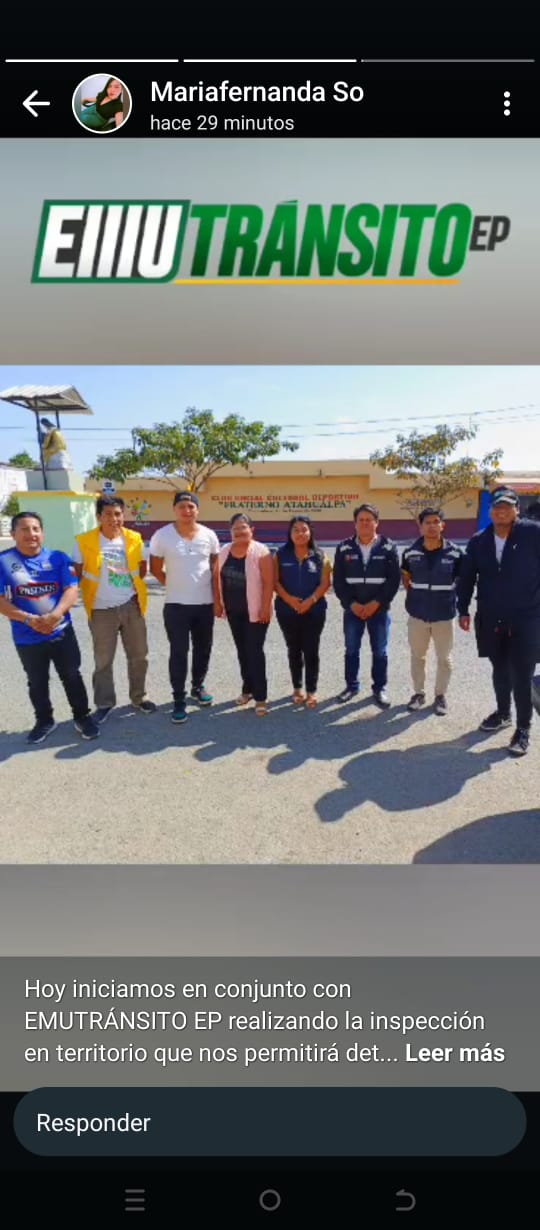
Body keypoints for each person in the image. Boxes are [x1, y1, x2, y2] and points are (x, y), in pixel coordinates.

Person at [0, 511, 98, 743]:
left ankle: (82, 717)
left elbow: (71, 589)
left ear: (42, 533)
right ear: (13, 533)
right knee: (37, 681)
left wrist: (55, 615)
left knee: (72, 675)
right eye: (24, 529)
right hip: (26, 635)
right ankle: (44, 721)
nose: (31, 534)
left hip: (61, 630)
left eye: (36, 529)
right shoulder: (4, 561)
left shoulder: (58, 558)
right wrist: (28, 619)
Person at [457, 486, 540, 756]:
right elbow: (467, 577)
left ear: (517, 509)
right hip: (491, 617)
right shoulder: (479, 541)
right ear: (490, 511)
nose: (501, 511)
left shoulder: (533, 533)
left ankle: (523, 728)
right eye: (496, 506)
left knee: (522, 674)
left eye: (506, 506)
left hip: (527, 617)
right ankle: (503, 713)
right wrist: (463, 609)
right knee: (500, 669)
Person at [72, 495, 156, 724]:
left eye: (118, 514)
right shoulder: (84, 541)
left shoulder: (134, 538)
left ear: (123, 516)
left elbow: (141, 569)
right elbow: (77, 573)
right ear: (99, 516)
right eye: (108, 514)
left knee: (139, 656)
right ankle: (104, 703)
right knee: (103, 661)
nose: (114, 519)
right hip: (101, 610)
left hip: (131, 605)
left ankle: (139, 697)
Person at [149, 491, 220, 724]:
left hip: (204, 604)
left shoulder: (209, 535)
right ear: (174, 509)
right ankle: (178, 699)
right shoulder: (162, 535)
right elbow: (155, 568)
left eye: (191, 506)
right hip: (176, 605)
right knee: (179, 652)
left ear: (197, 510)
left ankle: (197, 687)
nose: (187, 510)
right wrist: (174, 585)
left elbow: (215, 568)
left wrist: (217, 600)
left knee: (203, 649)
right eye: (182, 506)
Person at [332, 503, 401, 707]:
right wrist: (351, 603)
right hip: (353, 609)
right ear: (355, 523)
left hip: (379, 610)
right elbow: (338, 581)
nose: (364, 523)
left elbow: (393, 580)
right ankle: (351, 686)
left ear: (376, 523)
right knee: (351, 649)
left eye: (369, 520)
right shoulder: (344, 547)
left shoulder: (388, 547)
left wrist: (377, 603)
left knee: (380, 651)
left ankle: (380, 688)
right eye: (360, 520)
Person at [401, 508, 463, 715]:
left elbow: (461, 581)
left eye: (436, 522)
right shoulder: (410, 553)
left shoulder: (456, 553)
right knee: (418, 656)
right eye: (427, 522)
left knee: (444, 659)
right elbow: (406, 579)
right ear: (420, 526)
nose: (432, 526)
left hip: (443, 616)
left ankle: (440, 695)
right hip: (417, 615)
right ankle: (418, 694)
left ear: (443, 525)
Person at [215, 514, 274, 716]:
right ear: (230, 531)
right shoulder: (224, 551)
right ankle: (247, 690)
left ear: (251, 530)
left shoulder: (261, 551)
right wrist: (218, 603)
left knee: (254, 651)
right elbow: (217, 578)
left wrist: (265, 607)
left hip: (256, 611)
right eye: (235, 529)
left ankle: (261, 697)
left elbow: (269, 582)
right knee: (242, 651)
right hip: (234, 611)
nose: (239, 532)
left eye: (243, 527)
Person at [274, 515, 332, 708]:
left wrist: (310, 601)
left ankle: (311, 690)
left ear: (310, 532)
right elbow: (275, 581)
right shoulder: (280, 555)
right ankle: (297, 688)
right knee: (294, 649)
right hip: (287, 610)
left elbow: (325, 583)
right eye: (296, 530)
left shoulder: (320, 556)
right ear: (290, 533)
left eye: (304, 529)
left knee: (311, 650)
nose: (300, 533)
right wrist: (290, 600)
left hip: (314, 610)